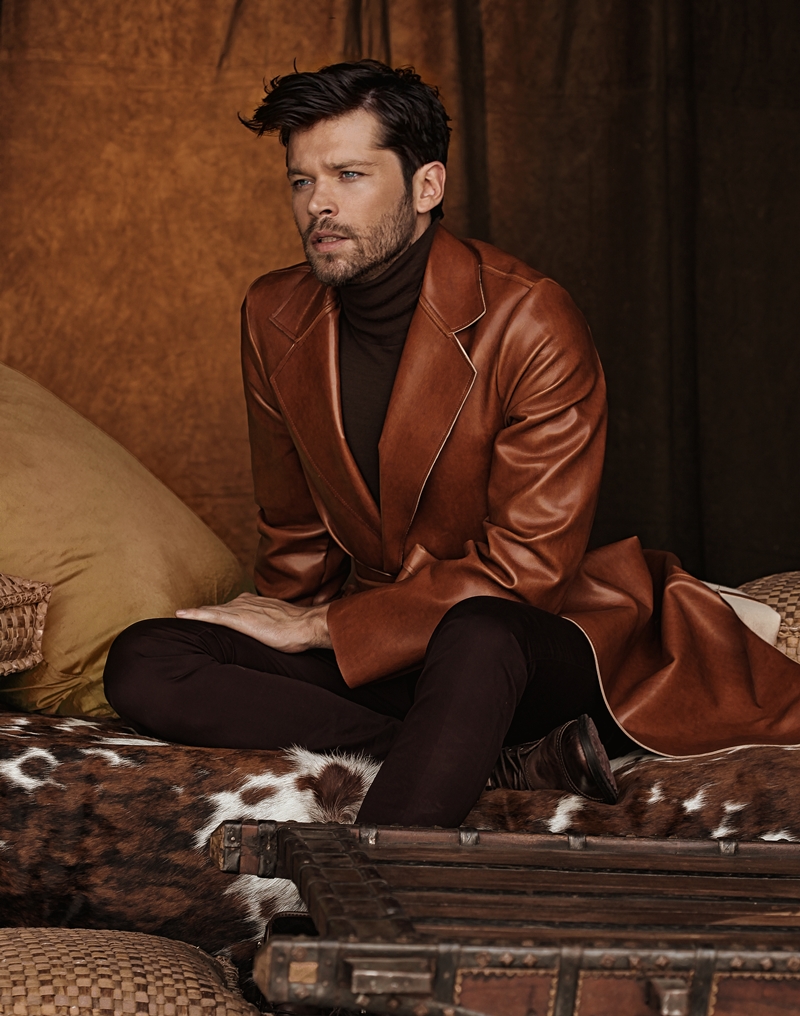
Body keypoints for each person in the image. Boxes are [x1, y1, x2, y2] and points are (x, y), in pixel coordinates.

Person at [104, 60, 800, 828]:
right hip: (386, 648)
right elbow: (297, 533)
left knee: (477, 632)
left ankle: (371, 887)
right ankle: (486, 761)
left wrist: (322, 629)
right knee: (149, 657)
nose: (318, 204)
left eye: (349, 175)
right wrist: (279, 627)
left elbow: (527, 574)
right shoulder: (274, 312)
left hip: (535, 647)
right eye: (302, 180)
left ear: (426, 186)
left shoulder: (531, 318)